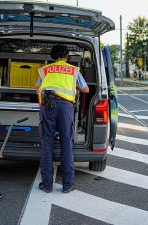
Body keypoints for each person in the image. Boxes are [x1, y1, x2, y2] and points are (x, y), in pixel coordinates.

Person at [36, 45, 89, 193]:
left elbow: (38, 87)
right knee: (67, 144)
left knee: (46, 144)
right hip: (66, 107)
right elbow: (86, 89)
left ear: (53, 56)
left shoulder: (45, 70)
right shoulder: (73, 70)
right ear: (67, 56)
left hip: (48, 106)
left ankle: (46, 185)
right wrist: (74, 87)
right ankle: (68, 184)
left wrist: (43, 105)